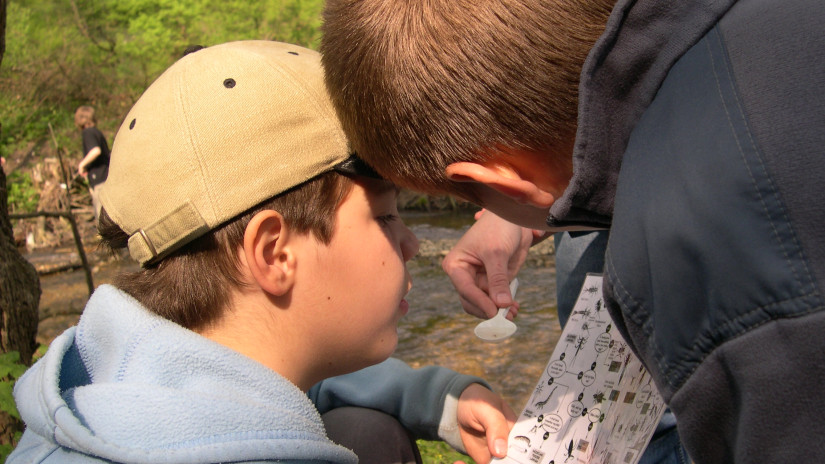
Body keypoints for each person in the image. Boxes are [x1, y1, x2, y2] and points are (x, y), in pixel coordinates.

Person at [319, 0, 825, 462]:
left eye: (470, 199)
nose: (408, 243)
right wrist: (517, 206)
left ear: (502, 182)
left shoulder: (723, 303)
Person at [9, 40, 516, 463]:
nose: (413, 242)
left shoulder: (130, 377)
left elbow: (291, 379)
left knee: (365, 430)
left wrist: (441, 400)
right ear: (274, 253)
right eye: (385, 216)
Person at [74, 105, 111, 220]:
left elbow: (95, 151)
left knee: (103, 223)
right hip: (107, 179)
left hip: (101, 182)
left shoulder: (88, 132)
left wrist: (82, 165)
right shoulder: (97, 132)